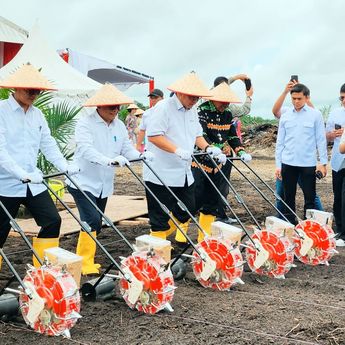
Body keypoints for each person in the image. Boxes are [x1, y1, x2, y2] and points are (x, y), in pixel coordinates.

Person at [67, 84, 154, 275]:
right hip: (83, 181)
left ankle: (87, 257)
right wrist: (109, 161)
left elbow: (126, 149)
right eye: (111, 107)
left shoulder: (119, 125)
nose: (115, 111)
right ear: (99, 107)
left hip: (104, 184)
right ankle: (85, 262)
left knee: (96, 221)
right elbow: (85, 149)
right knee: (91, 220)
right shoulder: (85, 123)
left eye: (118, 107)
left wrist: (141, 156)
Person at [0, 63, 77, 268]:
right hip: (5, 183)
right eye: (30, 90)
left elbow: (48, 143)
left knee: (52, 221)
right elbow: (1, 151)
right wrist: (19, 173)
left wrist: (64, 164)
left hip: (32, 182)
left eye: (38, 91)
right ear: (14, 88)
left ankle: (43, 271)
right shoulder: (2, 112)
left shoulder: (37, 115)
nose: (35, 94)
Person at [144, 72, 224, 243]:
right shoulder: (163, 108)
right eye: (191, 97)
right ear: (179, 92)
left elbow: (197, 135)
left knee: (188, 208)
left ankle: (158, 240)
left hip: (183, 172)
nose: (194, 100)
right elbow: (153, 136)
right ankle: (156, 250)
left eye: (197, 97)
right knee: (159, 217)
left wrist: (209, 148)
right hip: (161, 172)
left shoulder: (192, 110)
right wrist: (177, 150)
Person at [191, 82, 252, 242]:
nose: (225, 105)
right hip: (200, 161)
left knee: (213, 200)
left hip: (218, 164)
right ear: (214, 99)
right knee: (194, 198)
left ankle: (203, 238)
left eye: (227, 102)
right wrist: (216, 147)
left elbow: (231, 136)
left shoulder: (227, 115)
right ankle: (178, 234)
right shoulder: (201, 112)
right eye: (222, 102)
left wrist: (241, 151)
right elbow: (201, 134)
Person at [275, 83, 327, 224]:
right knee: (288, 198)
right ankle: (290, 226)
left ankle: (308, 228)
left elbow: (321, 140)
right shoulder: (285, 116)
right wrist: (278, 165)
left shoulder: (315, 115)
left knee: (310, 198)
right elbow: (280, 143)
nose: (296, 101)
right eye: (293, 98)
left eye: (299, 98)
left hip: (307, 163)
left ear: (307, 97)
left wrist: (323, 163)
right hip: (288, 163)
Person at [212, 74, 253, 223]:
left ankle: (217, 214)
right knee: (218, 184)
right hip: (213, 151)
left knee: (220, 183)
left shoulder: (224, 107)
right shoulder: (209, 104)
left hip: (224, 150)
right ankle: (216, 214)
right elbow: (245, 109)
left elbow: (232, 135)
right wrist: (248, 96)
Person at [327, 83, 345, 246]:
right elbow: (326, 136)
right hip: (338, 161)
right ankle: (340, 229)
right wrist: (333, 134)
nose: (343, 101)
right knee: (338, 196)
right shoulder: (335, 113)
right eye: (341, 98)